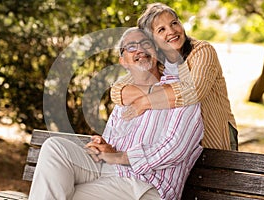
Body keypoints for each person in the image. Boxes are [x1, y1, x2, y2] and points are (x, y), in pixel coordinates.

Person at [28, 27, 204, 200]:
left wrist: (120, 157)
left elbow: (174, 150)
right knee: (55, 147)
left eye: (146, 43)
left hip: (146, 186)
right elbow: (111, 146)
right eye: (131, 47)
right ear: (123, 61)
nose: (140, 50)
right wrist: (103, 146)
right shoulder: (124, 97)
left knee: (67, 196)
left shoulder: (180, 91)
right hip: (109, 172)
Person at [111, 2, 238, 151]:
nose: (171, 31)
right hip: (181, 144)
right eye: (161, 29)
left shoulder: (202, 51)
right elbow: (117, 90)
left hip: (214, 133)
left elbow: (193, 91)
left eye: (174, 23)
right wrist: (157, 92)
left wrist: (145, 102)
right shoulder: (156, 60)